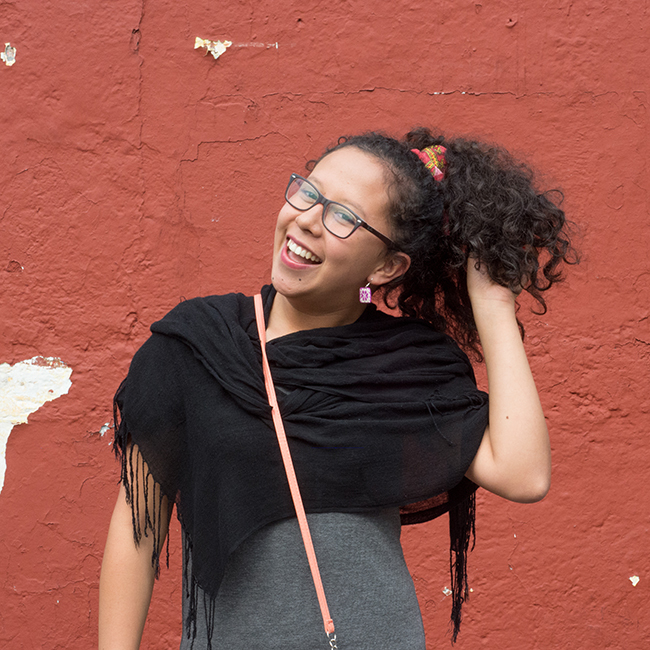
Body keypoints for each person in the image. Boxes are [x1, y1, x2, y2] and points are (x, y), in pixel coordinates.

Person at [98, 128, 576, 650]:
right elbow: (138, 530)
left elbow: (524, 474)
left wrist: (494, 305)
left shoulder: (407, 365)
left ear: (387, 266)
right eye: (308, 192)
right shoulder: (198, 344)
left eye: (344, 216)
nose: (306, 219)